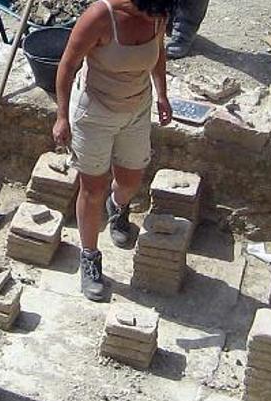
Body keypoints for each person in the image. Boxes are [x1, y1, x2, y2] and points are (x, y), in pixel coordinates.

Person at [53, 0, 174, 301]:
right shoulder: (100, 16)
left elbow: (158, 56)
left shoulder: (159, 13)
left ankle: (117, 209)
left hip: (136, 109)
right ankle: (89, 257)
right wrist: (61, 116)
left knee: (131, 180)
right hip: (95, 113)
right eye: (151, 11)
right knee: (92, 190)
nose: (156, 18)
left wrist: (162, 94)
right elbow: (68, 65)